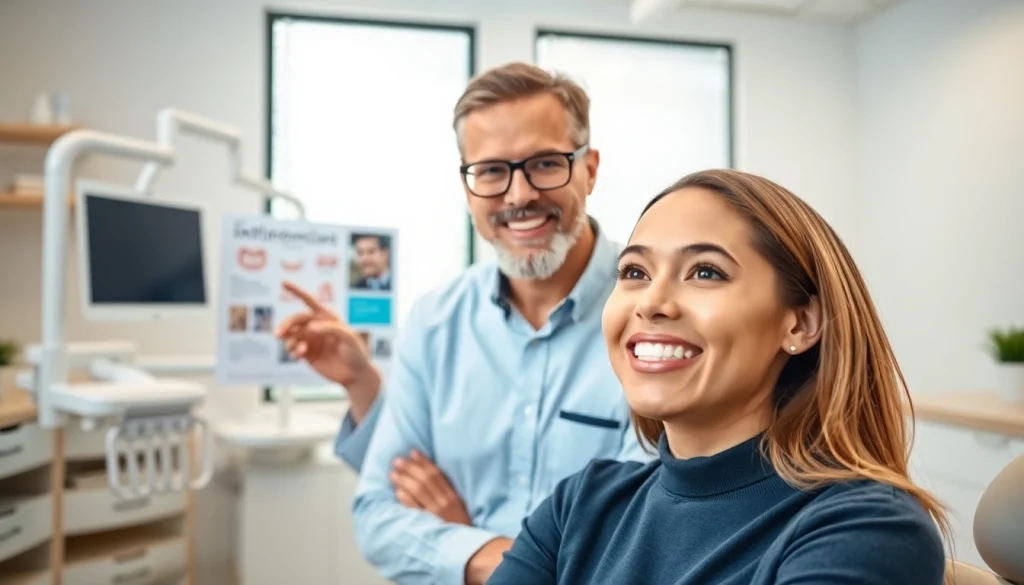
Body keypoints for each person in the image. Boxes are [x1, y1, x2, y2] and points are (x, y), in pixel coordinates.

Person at [274, 62, 648, 585]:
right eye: (492, 171)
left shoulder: (655, 318)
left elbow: (644, 540)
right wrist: (493, 553)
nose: (518, 196)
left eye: (544, 163)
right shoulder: (434, 320)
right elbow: (378, 516)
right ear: (468, 186)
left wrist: (461, 541)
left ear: (589, 169)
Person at [486, 169, 949, 584]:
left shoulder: (867, 529)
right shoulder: (581, 507)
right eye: (635, 271)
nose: (651, 302)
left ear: (800, 323)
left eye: (705, 272)